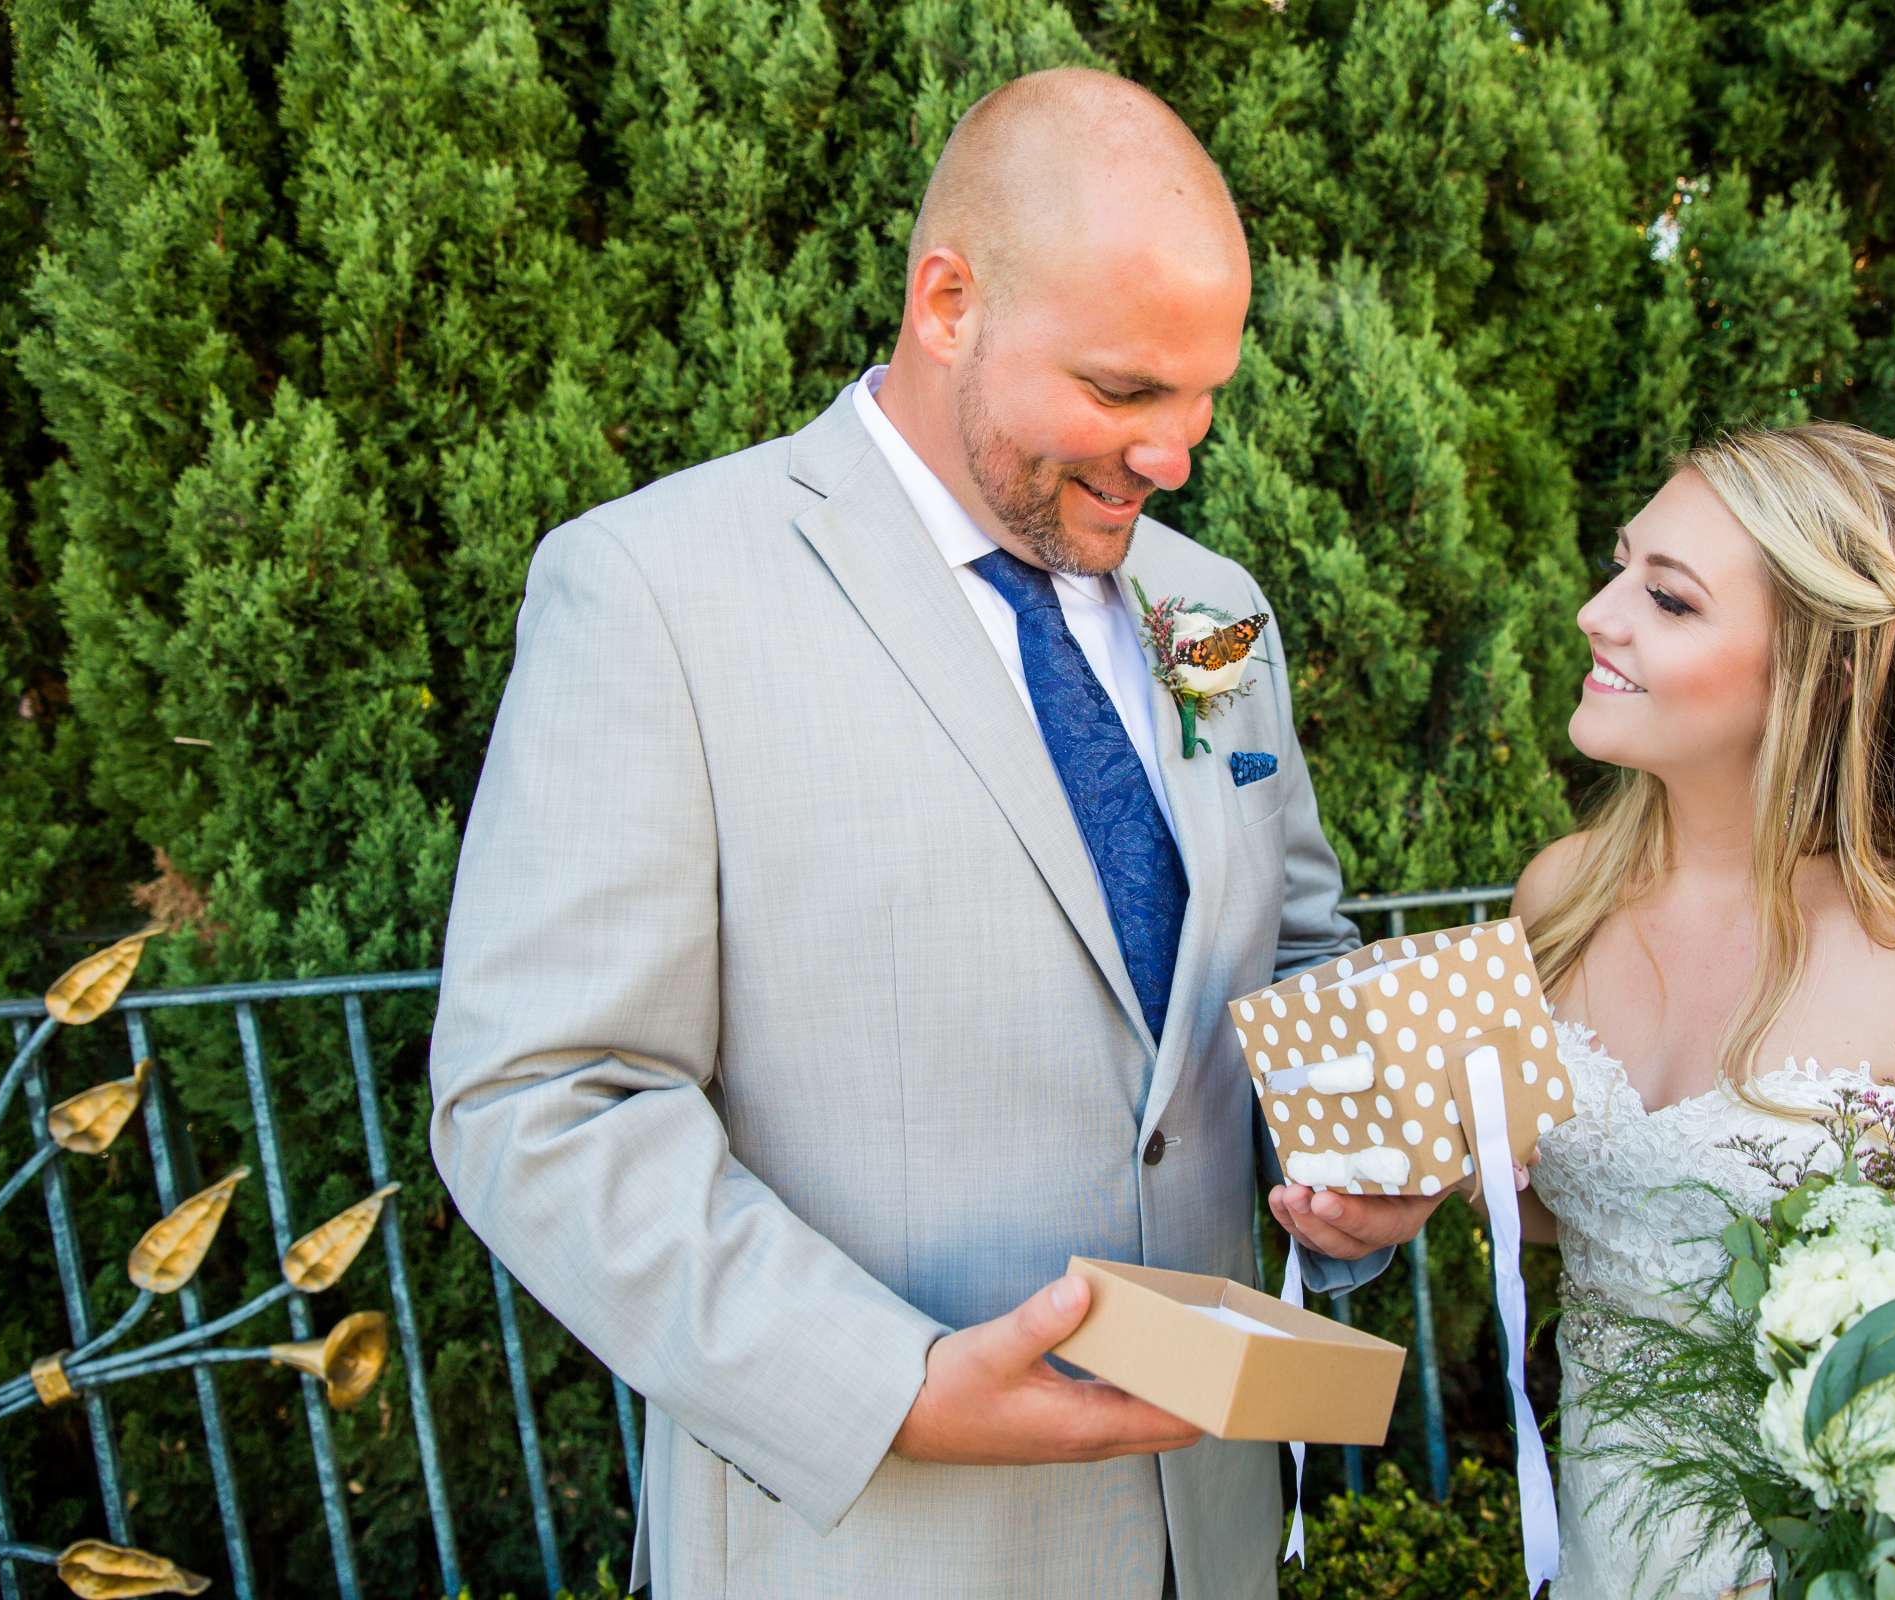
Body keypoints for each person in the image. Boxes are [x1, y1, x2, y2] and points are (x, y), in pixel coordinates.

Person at [427, 67, 1428, 1599]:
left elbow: (1284, 958)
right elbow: (544, 1100)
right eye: (1123, 393)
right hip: (870, 1550)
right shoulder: (652, 591)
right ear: (946, 302)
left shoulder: (1214, 609)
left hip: (1212, 1545)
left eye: (1204, 393)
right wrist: (886, 1385)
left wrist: (1363, 1167)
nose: (1175, 455)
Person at [1288, 423, 1895, 1596]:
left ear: (1823, 666)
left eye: (1666, 599)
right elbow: (1602, 1220)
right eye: (1622, 567)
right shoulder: (1563, 894)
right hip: (1617, 1543)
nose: (1596, 614)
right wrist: (1421, 1193)